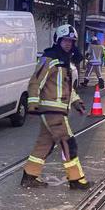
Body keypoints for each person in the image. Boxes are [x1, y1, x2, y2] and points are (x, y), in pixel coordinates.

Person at [21, 24, 90, 190]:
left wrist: (76, 102)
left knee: (44, 143)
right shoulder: (50, 59)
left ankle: (29, 176)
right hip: (52, 110)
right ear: (58, 40)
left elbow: (67, 87)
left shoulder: (64, 61)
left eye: (71, 41)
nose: (68, 44)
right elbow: (36, 81)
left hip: (57, 109)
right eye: (65, 40)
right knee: (68, 142)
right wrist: (32, 103)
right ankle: (76, 179)